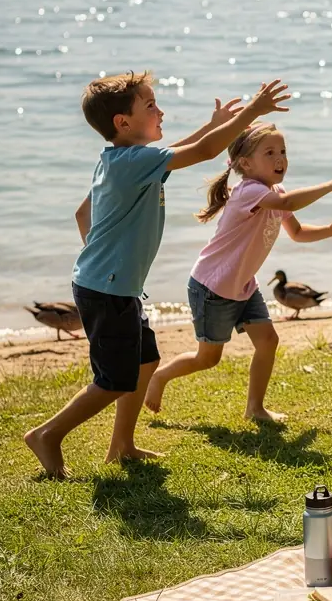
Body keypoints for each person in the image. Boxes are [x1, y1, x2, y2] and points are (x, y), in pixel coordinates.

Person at [24, 73, 292, 478]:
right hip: (107, 290)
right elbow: (201, 151)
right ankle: (48, 434)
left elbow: (85, 213)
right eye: (150, 106)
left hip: (113, 286)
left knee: (146, 361)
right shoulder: (135, 163)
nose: (161, 110)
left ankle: (122, 445)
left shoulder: (122, 161)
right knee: (114, 379)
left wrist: (103, 260)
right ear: (123, 123)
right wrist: (252, 111)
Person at [142, 123, 332, 422]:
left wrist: (329, 231)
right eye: (269, 152)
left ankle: (255, 409)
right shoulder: (250, 192)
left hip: (243, 285)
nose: (279, 158)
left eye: (282, 151)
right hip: (212, 287)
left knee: (268, 341)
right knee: (207, 358)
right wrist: (330, 185)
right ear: (245, 163)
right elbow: (288, 202)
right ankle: (160, 377)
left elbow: (296, 232)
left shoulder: (275, 191)